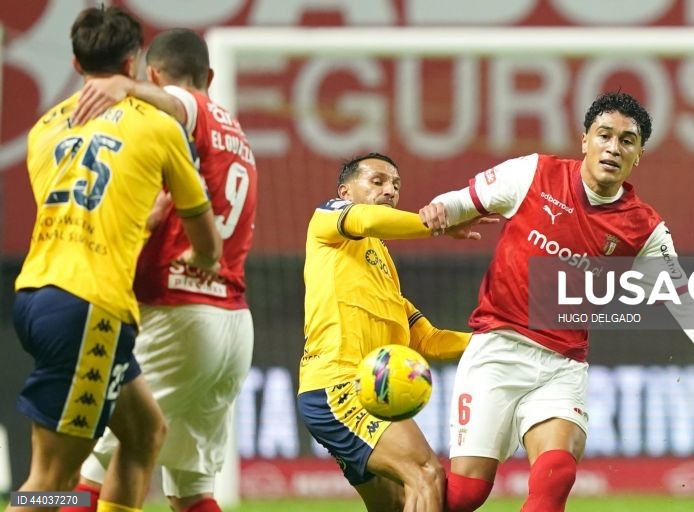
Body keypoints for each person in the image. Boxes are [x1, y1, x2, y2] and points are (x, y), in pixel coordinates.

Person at [418, 91, 694, 512]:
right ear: (584, 140)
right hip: (497, 351)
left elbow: (683, 299)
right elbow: (461, 201)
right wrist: (438, 211)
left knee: (555, 475)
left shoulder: (644, 228)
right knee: (466, 495)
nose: (613, 147)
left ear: (639, 156)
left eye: (627, 141)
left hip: (561, 366)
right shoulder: (533, 174)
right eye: (604, 135)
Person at [9, 7, 222, 512]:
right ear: (134, 64)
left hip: (37, 296)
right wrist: (206, 258)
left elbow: (79, 210)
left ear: (77, 64)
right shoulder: (158, 125)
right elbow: (204, 229)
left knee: (146, 432)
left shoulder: (44, 129)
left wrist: (140, 224)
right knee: (49, 482)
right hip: (90, 306)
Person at [59, 29, 258, 512]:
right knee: (191, 489)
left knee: (88, 469)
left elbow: (178, 102)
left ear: (151, 74)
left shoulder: (188, 108)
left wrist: (124, 89)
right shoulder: (239, 135)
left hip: (176, 313)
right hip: (230, 323)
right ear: (210, 74)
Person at [298, 152, 493, 512]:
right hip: (338, 385)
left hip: (369, 394)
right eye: (377, 181)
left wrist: (502, 342)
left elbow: (427, 339)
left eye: (396, 185)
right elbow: (369, 219)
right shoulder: (327, 219)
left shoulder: (382, 261)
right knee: (426, 473)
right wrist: (437, 223)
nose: (389, 190)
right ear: (345, 192)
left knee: (398, 503)